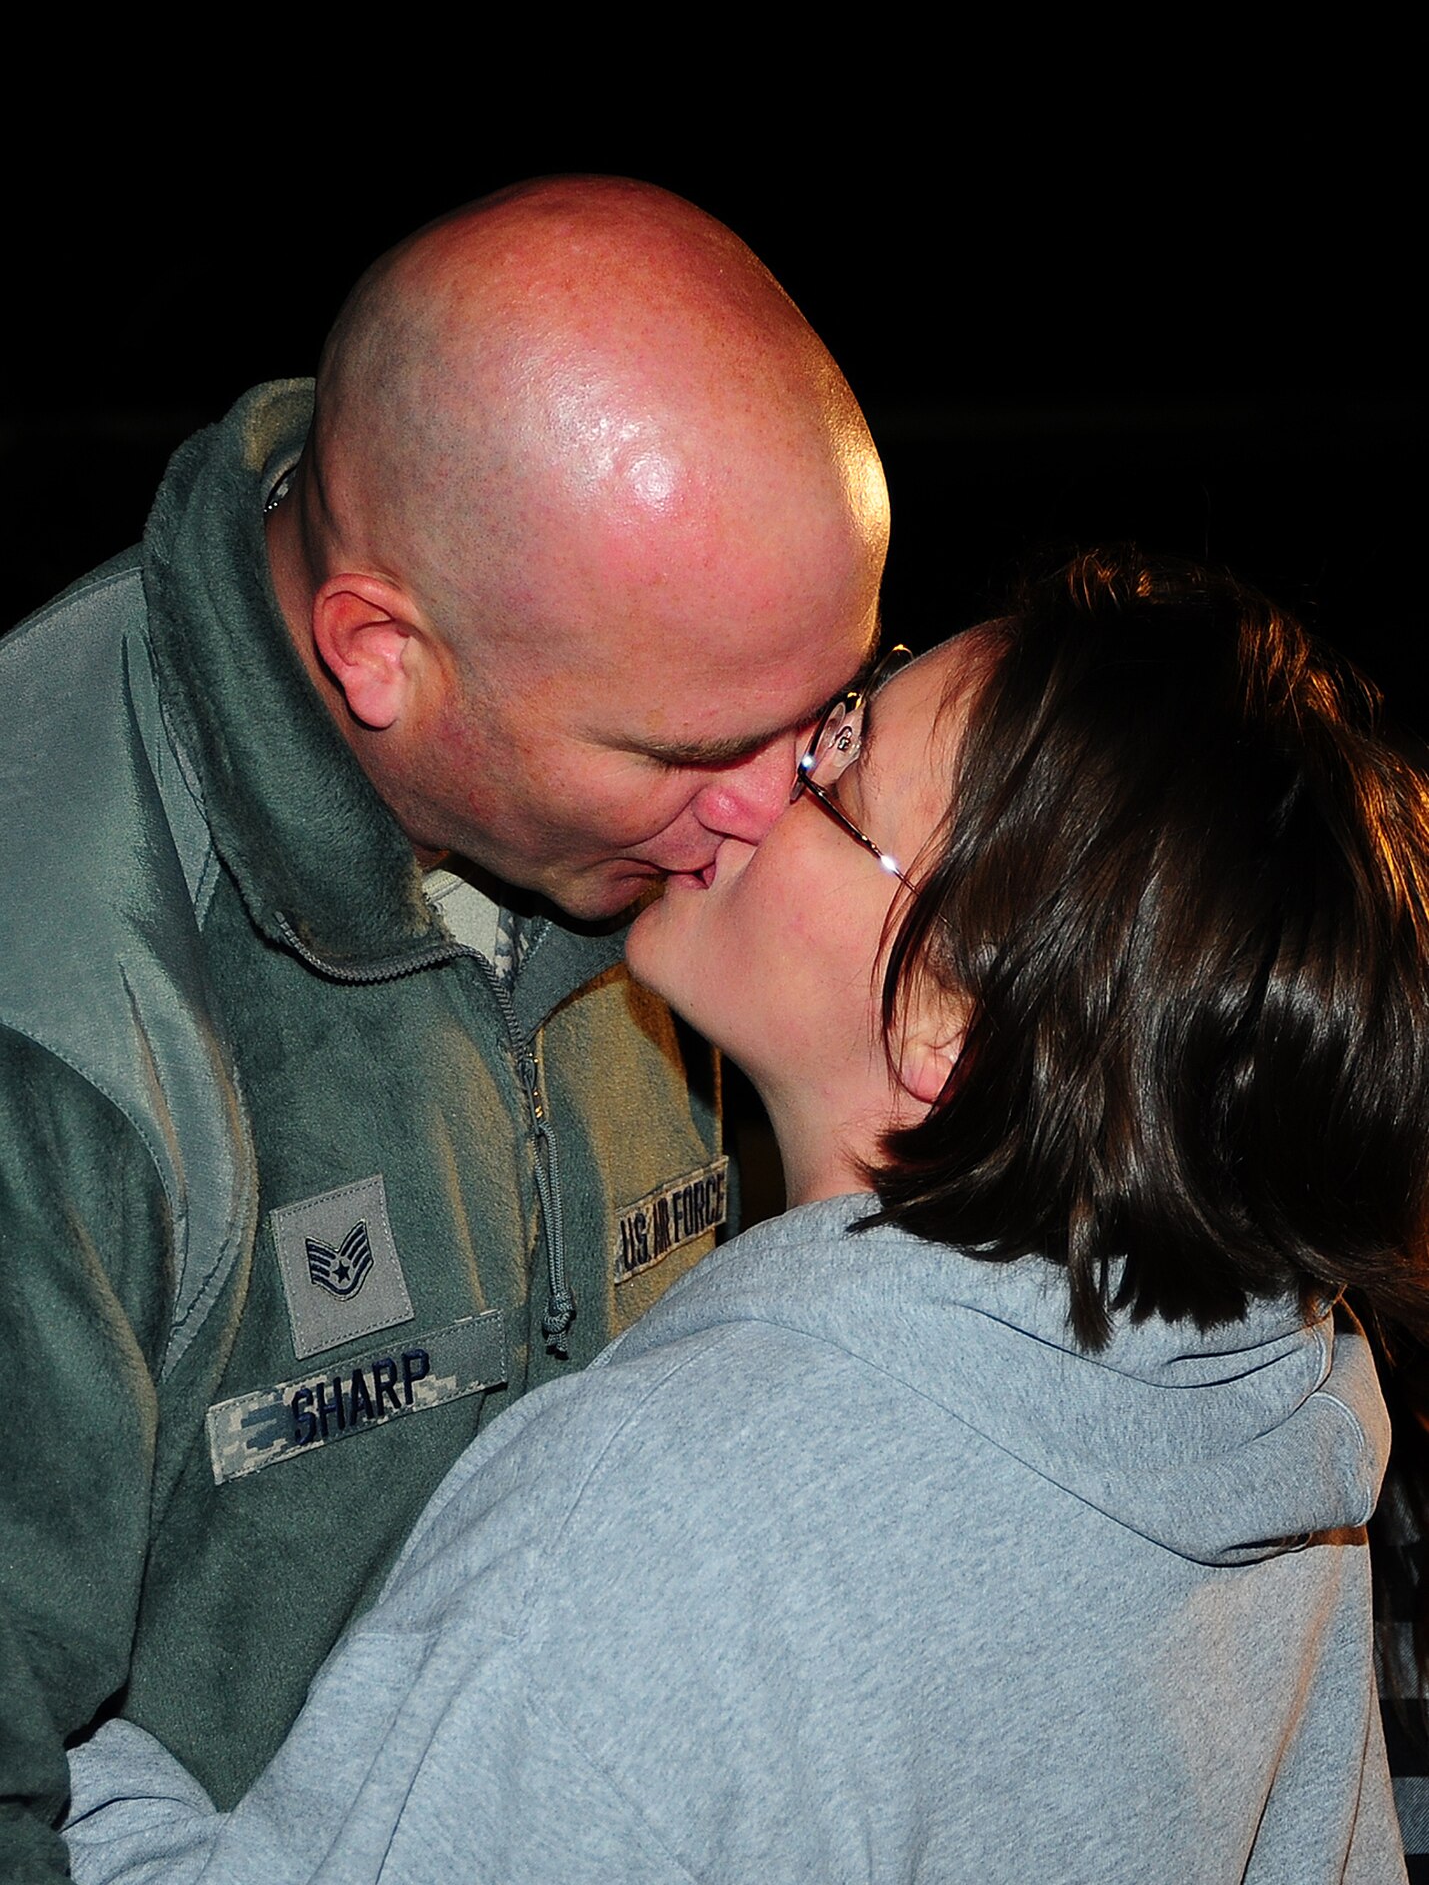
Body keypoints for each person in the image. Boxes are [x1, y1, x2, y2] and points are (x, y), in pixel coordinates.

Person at [63, 553, 1428, 1883]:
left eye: (842, 763)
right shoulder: (1270, 1409)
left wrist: (75, 1752)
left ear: (950, 1026)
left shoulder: (671, 1517)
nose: (762, 772)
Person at [0, 177, 888, 1881]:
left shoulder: (668, 847)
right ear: (380, 652)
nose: (779, 815)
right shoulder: (59, 1010)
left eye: (823, 712)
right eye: (693, 747)